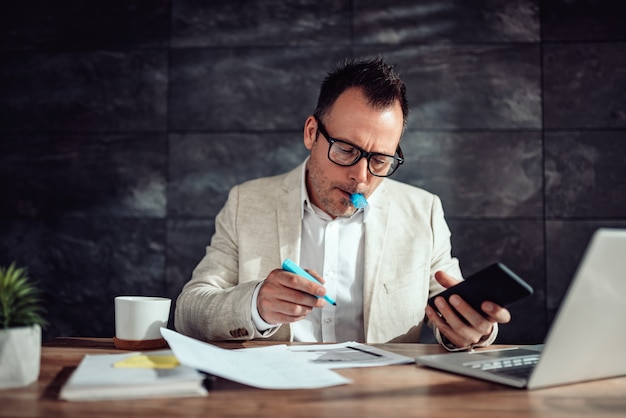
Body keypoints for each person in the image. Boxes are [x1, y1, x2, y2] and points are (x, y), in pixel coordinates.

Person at [174, 57, 511, 350]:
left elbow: (454, 308)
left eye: (379, 160)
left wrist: (472, 330)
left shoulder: (423, 212)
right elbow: (189, 311)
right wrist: (256, 305)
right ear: (311, 133)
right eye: (346, 151)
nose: (362, 177)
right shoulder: (246, 203)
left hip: (380, 398)